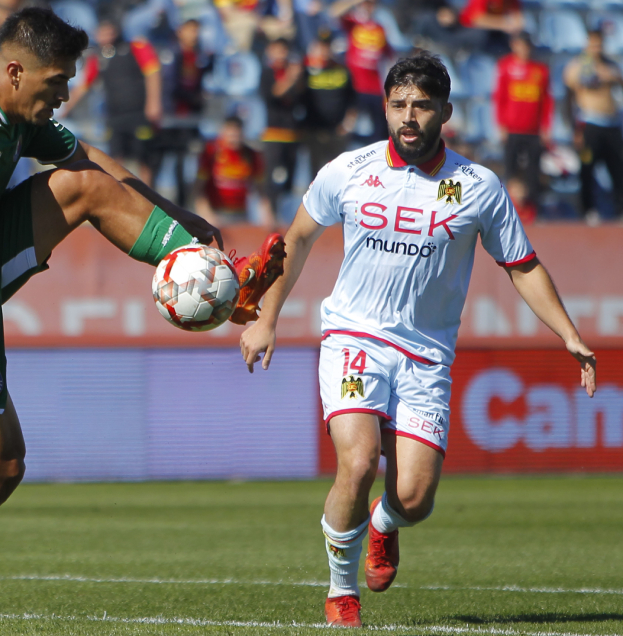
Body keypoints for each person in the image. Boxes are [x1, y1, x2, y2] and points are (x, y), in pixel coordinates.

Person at [0, 10, 285, 635]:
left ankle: (224, 278)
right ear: (15, 72)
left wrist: (178, 216)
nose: (65, 95)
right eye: (57, 82)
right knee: (2, 467)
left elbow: (94, 163)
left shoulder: (24, 115)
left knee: (83, 185)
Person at [238, 52, 596, 628]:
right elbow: (296, 239)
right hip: (353, 337)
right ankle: (341, 591)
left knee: (415, 499)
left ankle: (384, 525)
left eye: (422, 106)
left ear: (445, 113)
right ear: (384, 108)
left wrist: (569, 334)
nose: (409, 116)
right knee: (358, 463)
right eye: (399, 104)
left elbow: (521, 265)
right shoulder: (348, 170)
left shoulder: (478, 187)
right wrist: (266, 317)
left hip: (425, 356)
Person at [65, 20, 163, 185]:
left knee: (144, 158)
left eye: (108, 32)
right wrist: (66, 107)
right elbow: (85, 85)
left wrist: (154, 103)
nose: (105, 36)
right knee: (115, 158)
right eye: (101, 33)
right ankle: (121, 193)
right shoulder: (98, 56)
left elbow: (153, 73)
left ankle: (147, 195)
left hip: (139, 113)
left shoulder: (135, 47)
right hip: (115, 115)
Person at [564, 28, 623, 222]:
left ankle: (622, 209)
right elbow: (568, 100)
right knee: (587, 168)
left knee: (618, 169)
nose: (596, 48)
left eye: (599, 44)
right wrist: (575, 130)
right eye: (593, 44)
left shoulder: (612, 66)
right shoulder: (576, 67)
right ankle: (588, 210)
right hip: (589, 124)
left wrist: (616, 78)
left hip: (612, 124)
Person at [495, 32, 551, 207]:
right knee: (511, 168)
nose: (524, 49)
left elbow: (546, 101)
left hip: (533, 129)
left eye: (526, 45)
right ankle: (510, 205)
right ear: (514, 45)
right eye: (520, 45)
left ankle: (532, 206)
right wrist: (501, 125)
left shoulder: (540, 70)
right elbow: (500, 97)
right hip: (512, 128)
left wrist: (545, 127)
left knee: (533, 170)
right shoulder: (506, 66)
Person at [160, 19, 213, 206]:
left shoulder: (199, 56)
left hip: (190, 117)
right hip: (172, 116)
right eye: (190, 30)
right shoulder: (172, 53)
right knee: (168, 159)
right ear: (180, 32)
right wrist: (195, 98)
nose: (194, 34)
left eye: (196, 30)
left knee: (186, 160)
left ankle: (184, 203)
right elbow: (170, 86)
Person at [331, 0, 394, 146]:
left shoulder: (380, 28)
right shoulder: (353, 23)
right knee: (351, 128)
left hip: (375, 88)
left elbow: (389, 56)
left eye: (371, 4)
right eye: (366, 3)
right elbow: (333, 13)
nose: (369, 7)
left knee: (379, 132)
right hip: (355, 86)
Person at [195, 115, 273, 227]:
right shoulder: (211, 152)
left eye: (237, 135)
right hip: (215, 213)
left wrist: (267, 215)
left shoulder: (250, 155)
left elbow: (261, 189)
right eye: (230, 134)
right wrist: (207, 214)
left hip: (240, 214)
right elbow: (198, 189)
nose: (234, 139)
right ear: (223, 132)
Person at [261, 38, 304, 222]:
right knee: (271, 177)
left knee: (290, 178)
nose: (281, 55)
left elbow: (301, 96)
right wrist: (291, 78)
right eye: (277, 50)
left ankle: (286, 216)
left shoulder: (296, 72)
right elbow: (274, 93)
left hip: (293, 133)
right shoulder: (267, 72)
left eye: (283, 50)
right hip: (273, 133)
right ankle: (270, 216)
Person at [303, 35, 356, 175]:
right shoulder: (307, 70)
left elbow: (353, 100)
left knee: (337, 172)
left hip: (337, 131)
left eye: (327, 47)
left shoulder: (342, 70)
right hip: (315, 131)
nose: (324, 51)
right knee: (315, 172)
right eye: (321, 47)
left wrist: (348, 124)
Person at [416, 0, 524, 56]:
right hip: (465, 30)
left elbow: (518, 17)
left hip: (494, 33)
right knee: (481, 36)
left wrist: (515, 26)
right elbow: (477, 19)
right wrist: (504, 24)